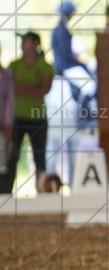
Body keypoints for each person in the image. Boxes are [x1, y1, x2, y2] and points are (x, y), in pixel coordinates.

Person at [1, 33, 54, 194]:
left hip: (37, 118)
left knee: (39, 157)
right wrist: (32, 87)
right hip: (17, 118)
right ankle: (6, 192)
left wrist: (21, 87)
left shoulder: (45, 66)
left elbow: (44, 89)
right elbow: (11, 88)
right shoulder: (14, 65)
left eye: (27, 41)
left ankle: (43, 192)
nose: (24, 44)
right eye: (23, 41)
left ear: (36, 43)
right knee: (11, 158)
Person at [51, 0, 89, 77]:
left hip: (63, 66)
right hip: (65, 67)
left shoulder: (60, 30)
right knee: (90, 87)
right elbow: (65, 55)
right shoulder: (61, 31)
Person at [0, 47, 13, 178]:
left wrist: (8, 124)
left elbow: (9, 101)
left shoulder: (5, 75)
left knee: (2, 164)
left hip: (2, 127)